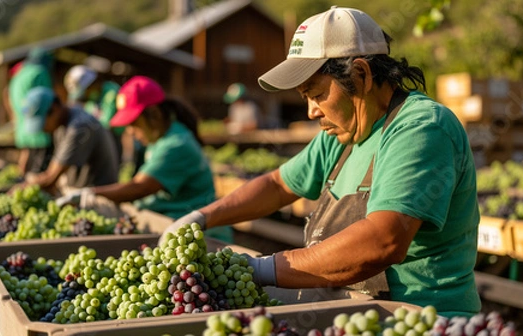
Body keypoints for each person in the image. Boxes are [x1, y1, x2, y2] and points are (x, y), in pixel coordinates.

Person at [161, 6, 481, 317]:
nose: (312, 111)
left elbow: (384, 241)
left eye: (316, 94)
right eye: (305, 98)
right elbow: (276, 185)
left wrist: (263, 268)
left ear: (361, 74)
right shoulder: (341, 135)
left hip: (421, 319)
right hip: (354, 310)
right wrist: (202, 217)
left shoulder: (420, 128)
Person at [58, 76, 233, 243]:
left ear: (154, 114)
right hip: (176, 225)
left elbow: (139, 188)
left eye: (133, 123)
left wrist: (92, 192)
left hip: (203, 236)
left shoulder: (175, 145)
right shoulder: (160, 138)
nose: (130, 131)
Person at [19, 86, 119, 192]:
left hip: (97, 196)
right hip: (80, 191)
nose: (42, 129)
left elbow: (51, 179)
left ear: (55, 108)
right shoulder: (63, 123)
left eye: (43, 123)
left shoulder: (79, 127)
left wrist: (22, 188)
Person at [63, 65, 125, 165]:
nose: (83, 96)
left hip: (112, 138)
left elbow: (107, 124)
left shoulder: (111, 93)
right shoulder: (91, 97)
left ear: (91, 84)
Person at [8, 48, 55, 175]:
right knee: (41, 168)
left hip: (22, 127)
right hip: (38, 126)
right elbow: (46, 99)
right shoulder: (39, 72)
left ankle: (24, 182)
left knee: (27, 162)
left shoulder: (19, 74)